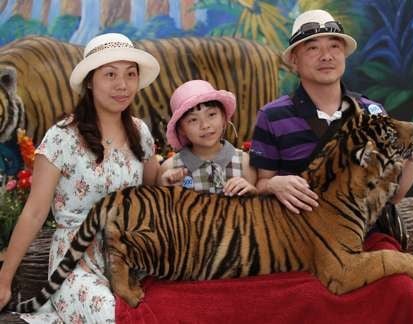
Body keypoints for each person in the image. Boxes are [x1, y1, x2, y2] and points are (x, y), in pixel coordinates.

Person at [249, 8, 413, 322]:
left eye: (334, 46)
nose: (326, 55)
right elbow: (259, 184)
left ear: (344, 54)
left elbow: (395, 195)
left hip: (364, 235)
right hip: (299, 244)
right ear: (294, 60)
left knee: (402, 288)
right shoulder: (273, 116)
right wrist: (274, 184)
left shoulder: (371, 113)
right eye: (313, 47)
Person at [0, 32, 160, 323]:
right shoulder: (63, 137)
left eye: (130, 74)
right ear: (89, 80)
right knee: (109, 316)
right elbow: (35, 212)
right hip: (76, 261)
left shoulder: (141, 133)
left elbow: (152, 194)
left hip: (130, 258)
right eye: (110, 74)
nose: (122, 85)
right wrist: (4, 279)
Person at [157, 79, 256, 196]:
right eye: (193, 119)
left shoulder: (244, 163)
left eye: (212, 114)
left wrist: (252, 192)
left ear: (224, 117)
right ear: (181, 129)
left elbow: (257, 208)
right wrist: (166, 188)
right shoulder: (169, 168)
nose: (205, 125)